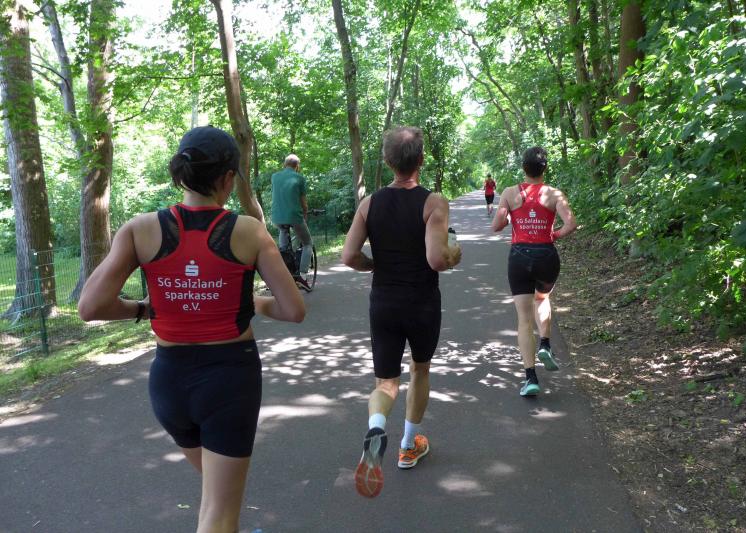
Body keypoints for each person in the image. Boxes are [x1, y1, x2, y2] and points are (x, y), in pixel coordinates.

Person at [78, 126, 306, 533]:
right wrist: (252, 302)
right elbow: (293, 310)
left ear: (180, 173)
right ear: (228, 178)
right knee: (219, 511)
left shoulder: (140, 229)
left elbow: (90, 306)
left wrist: (142, 309)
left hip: (169, 382)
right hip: (229, 381)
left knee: (215, 501)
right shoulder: (249, 231)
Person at [342, 126, 462, 498]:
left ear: (387, 160)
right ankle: (408, 447)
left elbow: (349, 255)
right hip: (422, 303)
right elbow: (437, 259)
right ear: (420, 160)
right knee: (419, 369)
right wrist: (455, 253)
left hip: (384, 303)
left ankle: (377, 426)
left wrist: (373, 265)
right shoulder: (434, 203)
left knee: (385, 383)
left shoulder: (370, 204)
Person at [491, 147, 576, 396]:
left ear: (523, 168)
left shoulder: (510, 193)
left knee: (524, 320)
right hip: (546, 256)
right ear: (545, 168)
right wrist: (554, 235)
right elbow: (571, 223)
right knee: (542, 297)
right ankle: (545, 344)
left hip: (519, 257)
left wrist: (509, 216)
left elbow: (496, 226)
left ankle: (530, 378)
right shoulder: (554, 194)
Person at [271, 154, 313, 291]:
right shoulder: (299, 178)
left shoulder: (274, 177)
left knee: (284, 248)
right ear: (297, 166)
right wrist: (305, 215)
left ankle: (284, 276)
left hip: (277, 218)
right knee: (307, 243)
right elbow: (304, 204)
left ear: (284, 164)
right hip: (294, 217)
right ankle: (302, 277)